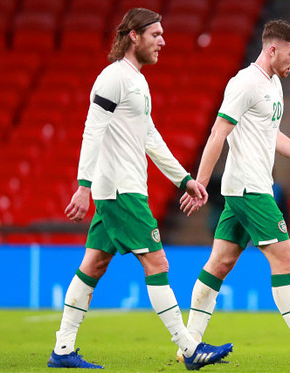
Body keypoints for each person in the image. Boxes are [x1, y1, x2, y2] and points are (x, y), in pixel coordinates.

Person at [47, 8, 233, 370]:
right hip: (119, 191)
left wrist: (184, 179)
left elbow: (149, 136)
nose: (162, 41)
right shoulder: (112, 79)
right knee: (157, 262)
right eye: (156, 35)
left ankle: (63, 350)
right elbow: (92, 130)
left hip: (120, 188)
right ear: (134, 35)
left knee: (93, 264)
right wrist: (83, 184)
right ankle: (189, 348)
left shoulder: (137, 81)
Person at [179, 20, 290, 366]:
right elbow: (217, 134)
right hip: (249, 190)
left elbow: (272, 135)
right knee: (286, 260)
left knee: (220, 263)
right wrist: (199, 183)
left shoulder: (272, 84)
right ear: (272, 49)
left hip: (246, 188)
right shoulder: (245, 83)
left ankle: (189, 345)